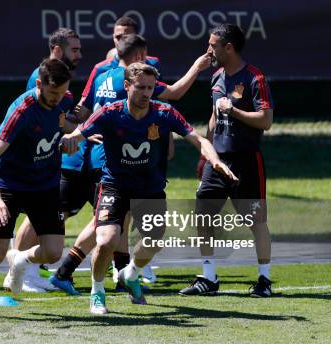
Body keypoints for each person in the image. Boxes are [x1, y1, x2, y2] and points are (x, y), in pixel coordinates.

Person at [61, 62, 237, 314]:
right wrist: (69, 139)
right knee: (107, 240)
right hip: (114, 186)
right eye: (141, 87)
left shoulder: (164, 113)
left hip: (150, 189)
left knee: (153, 241)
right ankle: (97, 291)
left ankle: (131, 274)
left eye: (151, 88)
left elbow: (197, 139)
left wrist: (215, 160)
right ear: (127, 86)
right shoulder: (110, 113)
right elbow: (78, 133)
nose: (146, 93)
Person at [49, 34, 211, 295]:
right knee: (107, 227)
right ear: (137, 58)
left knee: (111, 224)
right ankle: (100, 275)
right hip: (113, 163)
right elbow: (175, 93)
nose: (146, 90)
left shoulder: (100, 73)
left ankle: (90, 272)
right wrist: (197, 67)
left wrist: (75, 134)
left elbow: (83, 109)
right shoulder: (139, 81)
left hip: (94, 155)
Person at [0, 59, 77, 319]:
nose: (58, 99)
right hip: (10, 186)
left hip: (46, 185)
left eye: (62, 93)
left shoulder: (63, 98)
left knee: (52, 253)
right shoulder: (22, 110)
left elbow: (64, 125)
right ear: (39, 84)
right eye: (52, 94)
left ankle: (21, 260)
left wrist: (74, 136)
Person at [179, 24, 274, 297]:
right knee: (204, 216)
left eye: (213, 45)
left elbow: (266, 121)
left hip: (246, 160)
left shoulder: (255, 78)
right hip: (216, 161)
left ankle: (264, 280)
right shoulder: (217, 76)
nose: (209, 50)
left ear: (228, 47)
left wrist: (234, 111)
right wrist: (205, 152)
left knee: (256, 221)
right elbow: (212, 116)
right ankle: (208, 278)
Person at [5, 27, 83, 293]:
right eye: (74, 49)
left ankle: (29, 269)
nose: (79, 55)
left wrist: (73, 128)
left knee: (44, 227)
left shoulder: (62, 85)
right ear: (58, 50)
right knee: (32, 219)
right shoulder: (39, 80)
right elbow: (36, 125)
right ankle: (22, 273)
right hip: (29, 170)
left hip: (47, 166)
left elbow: (58, 122)